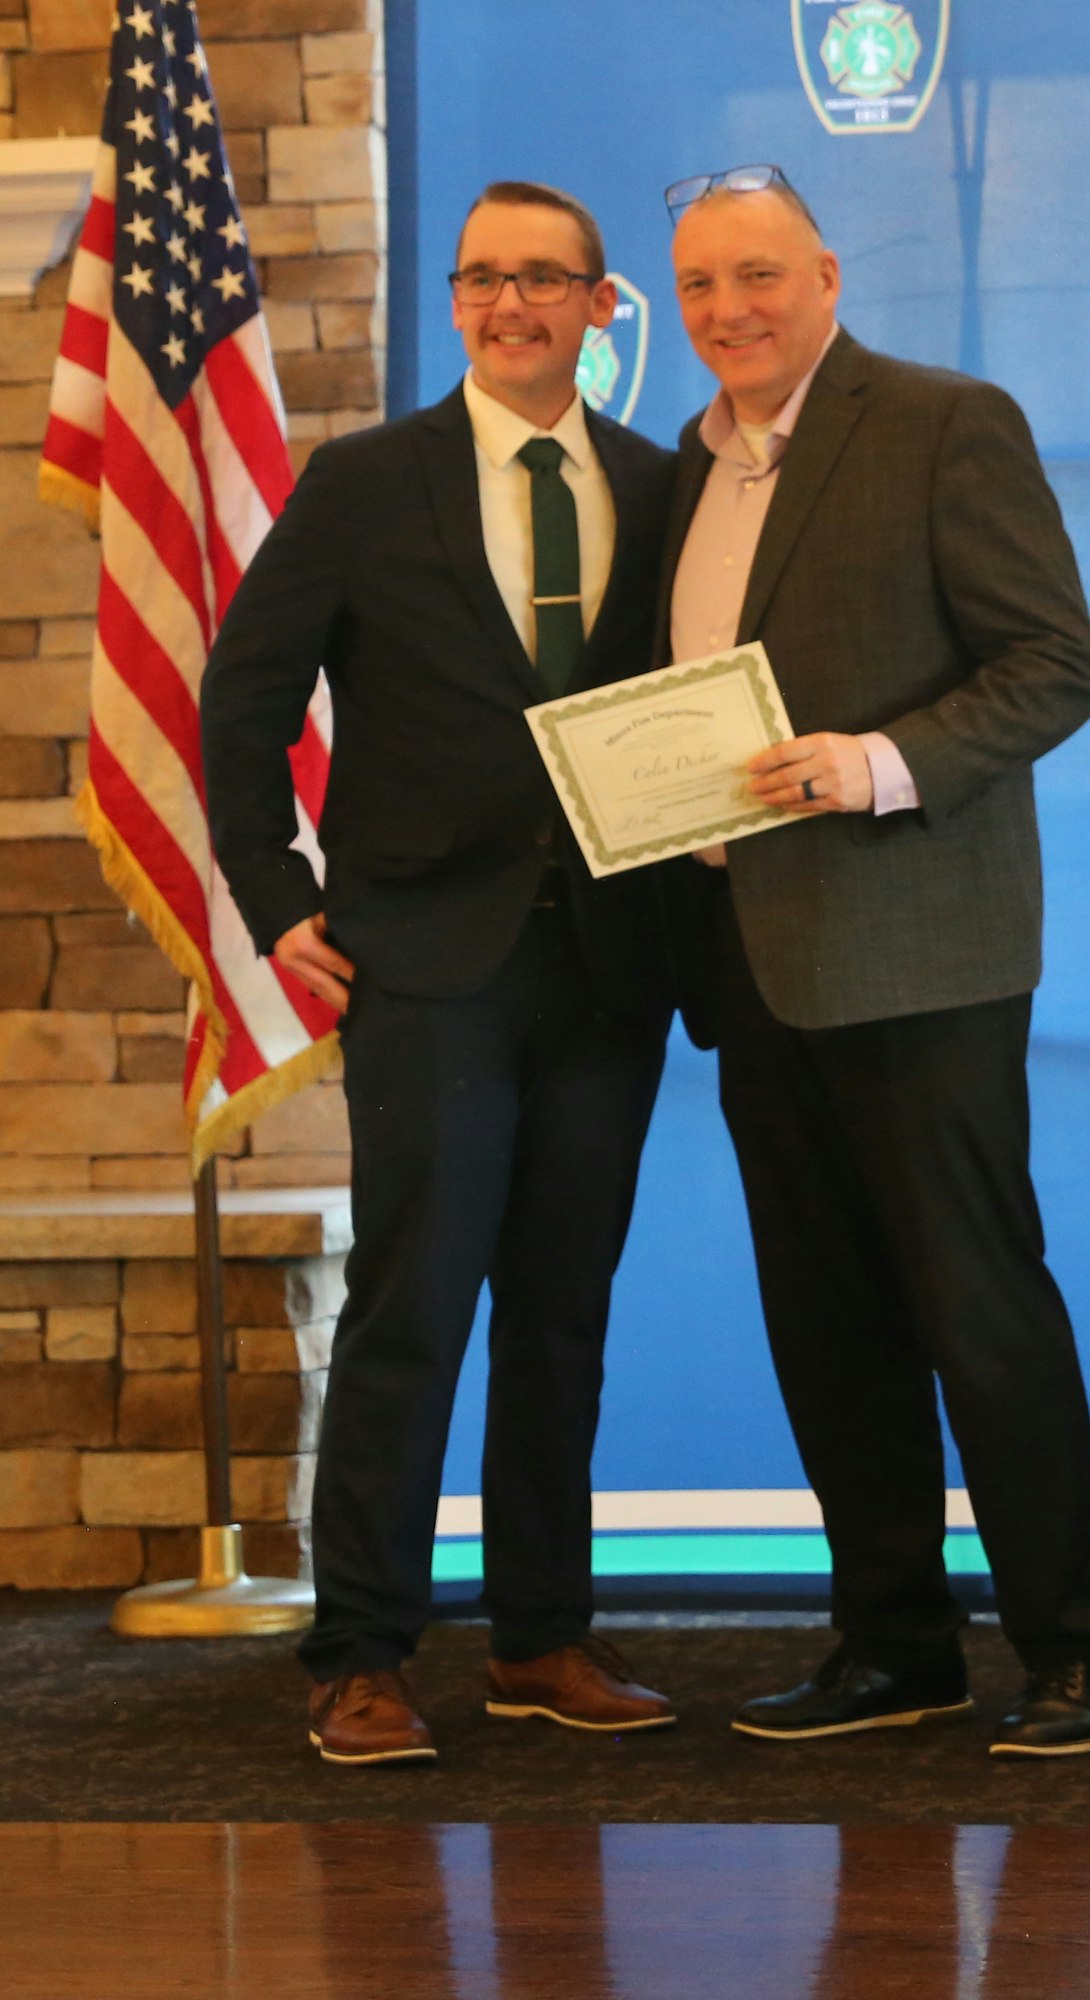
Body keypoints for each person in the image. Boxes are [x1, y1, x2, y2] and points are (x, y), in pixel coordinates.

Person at [660, 165, 1090, 1756]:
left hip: (922, 955)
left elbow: (1056, 667)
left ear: (826, 276)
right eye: (700, 287)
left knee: (976, 1306)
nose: (728, 311)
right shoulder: (689, 465)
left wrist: (875, 761)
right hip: (748, 962)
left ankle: (1072, 1651)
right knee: (825, 1322)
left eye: (756, 276)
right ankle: (893, 1645)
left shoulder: (945, 421)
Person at [201, 182, 677, 1765]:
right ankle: (360, 1656)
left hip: (608, 970)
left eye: (543, 279)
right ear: (458, 300)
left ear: (600, 306)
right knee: (412, 1310)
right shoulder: (364, 484)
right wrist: (276, 897)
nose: (505, 303)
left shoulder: (660, 490)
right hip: (428, 967)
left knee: (563, 1317)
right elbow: (242, 700)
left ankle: (542, 1638)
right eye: (481, 276)